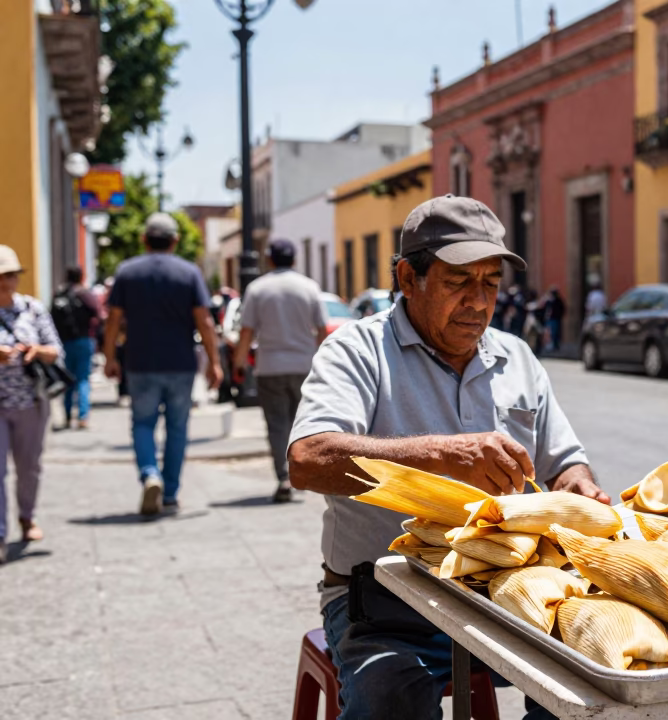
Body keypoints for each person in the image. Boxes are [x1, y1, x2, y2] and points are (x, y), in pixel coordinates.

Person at [287, 195, 609, 720]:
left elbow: (565, 461)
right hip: (385, 602)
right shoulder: (357, 351)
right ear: (407, 278)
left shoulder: (517, 356)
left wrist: (578, 488)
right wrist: (440, 454)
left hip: (507, 593)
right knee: (391, 698)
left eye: (490, 283)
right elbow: (307, 460)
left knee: (595, 687)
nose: (478, 302)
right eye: (458, 282)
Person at [103, 213, 222, 515]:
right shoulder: (189, 272)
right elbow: (204, 321)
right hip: (180, 362)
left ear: (144, 239)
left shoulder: (127, 272)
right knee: (177, 427)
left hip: (140, 361)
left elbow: (113, 319)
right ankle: (170, 492)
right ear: (175, 240)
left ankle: (149, 473)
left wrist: (109, 357)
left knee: (142, 423)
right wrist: (214, 362)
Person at [234, 239, 329, 503]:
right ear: (295, 260)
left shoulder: (257, 288)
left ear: (270, 260)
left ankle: (283, 477)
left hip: (270, 367)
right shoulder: (309, 287)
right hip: (304, 366)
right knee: (306, 423)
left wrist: (239, 362)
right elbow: (322, 329)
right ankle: (308, 472)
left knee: (277, 425)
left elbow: (247, 330)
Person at [0, 246, 63, 563]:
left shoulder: (31, 309)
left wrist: (34, 350)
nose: (6, 281)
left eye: (10, 275)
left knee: (29, 467)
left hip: (29, 400)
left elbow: (55, 351)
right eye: (1, 275)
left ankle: (27, 516)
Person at [51, 266, 101, 429]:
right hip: (84, 340)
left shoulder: (59, 295)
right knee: (83, 379)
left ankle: (66, 416)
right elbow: (98, 314)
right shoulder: (85, 294)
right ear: (81, 277)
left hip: (64, 342)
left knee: (67, 379)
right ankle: (82, 416)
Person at [544, 286, 565, 352]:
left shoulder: (558, 301)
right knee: (552, 333)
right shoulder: (550, 301)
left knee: (555, 333)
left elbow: (562, 309)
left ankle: (555, 345)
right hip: (552, 319)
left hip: (555, 319)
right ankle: (553, 345)